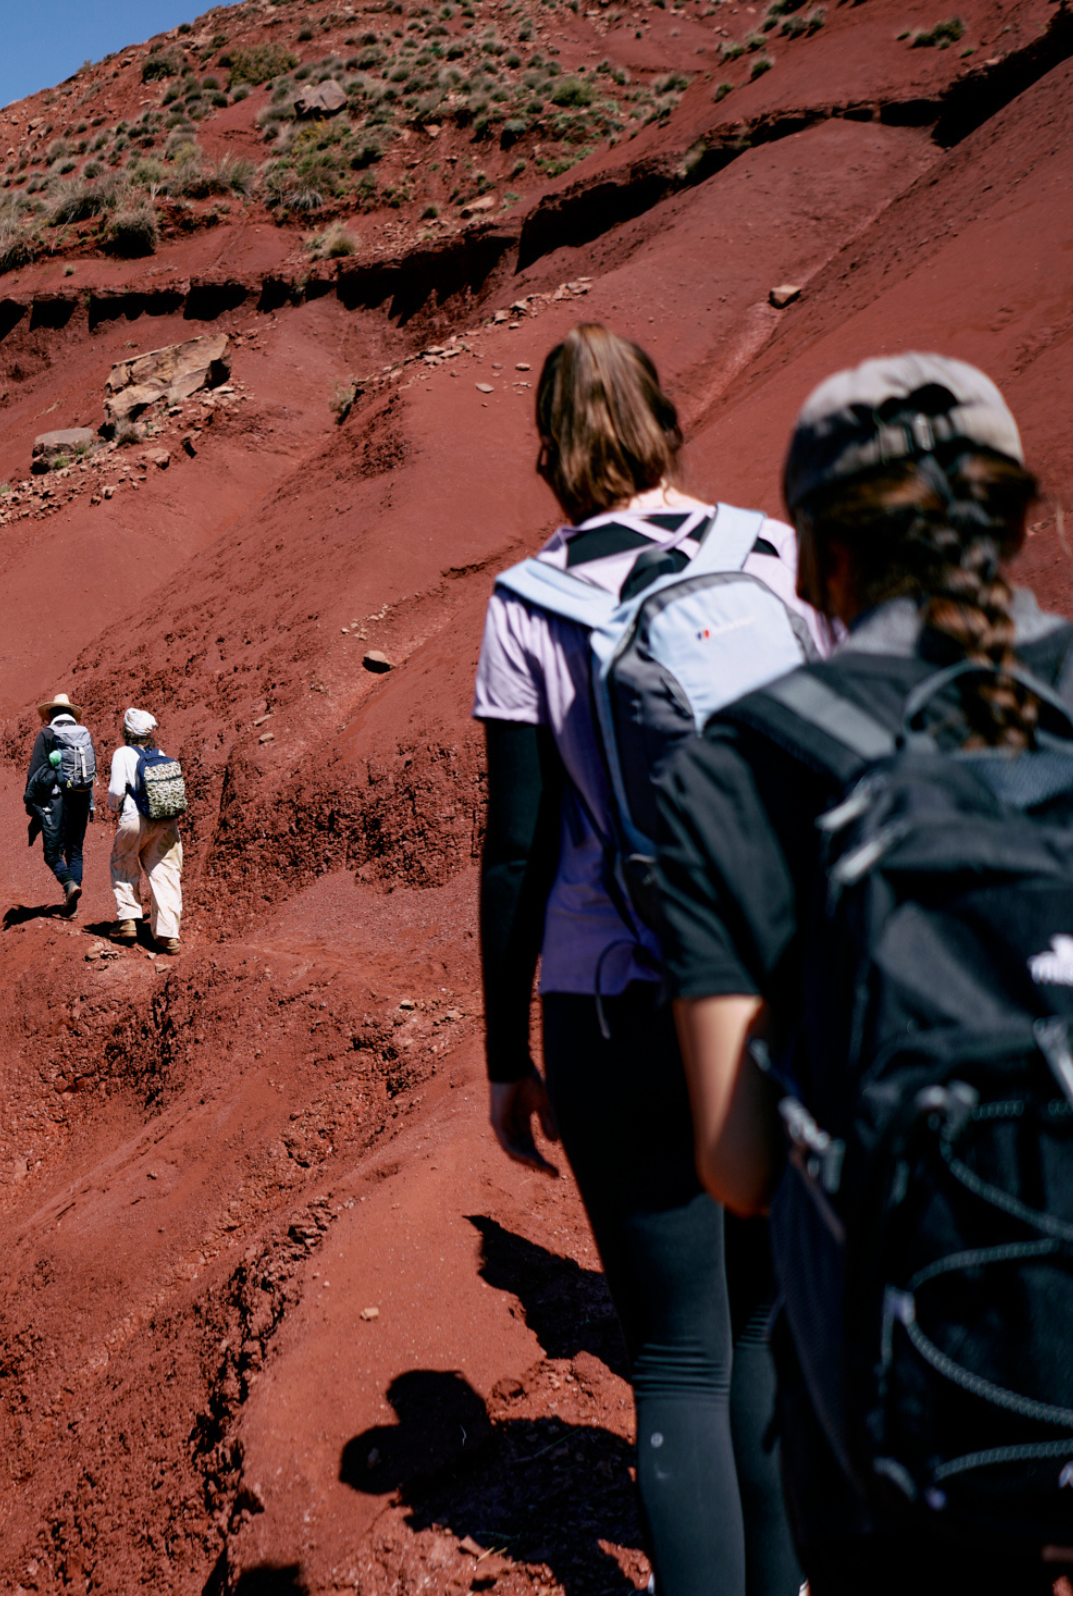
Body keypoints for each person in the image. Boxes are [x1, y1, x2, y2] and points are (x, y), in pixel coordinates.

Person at [657, 354, 1073, 1592]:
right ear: (1010, 519)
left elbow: (735, 1165)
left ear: (820, 553)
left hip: (916, 1413)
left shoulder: (742, 766)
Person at [473, 324, 829, 1593]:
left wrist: (508, 1056)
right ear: (665, 417)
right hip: (782, 986)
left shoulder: (525, 604)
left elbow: (515, 851)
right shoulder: (777, 554)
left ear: (550, 448)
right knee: (768, 1323)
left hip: (615, 1001)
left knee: (678, 1353)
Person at [108, 706, 183, 954]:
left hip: (134, 817)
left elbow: (117, 791)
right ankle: (167, 935)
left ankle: (128, 919)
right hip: (165, 821)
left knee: (123, 861)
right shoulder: (159, 753)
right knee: (166, 873)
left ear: (127, 732)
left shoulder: (122, 754)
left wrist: (113, 807)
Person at [24, 692, 95, 916]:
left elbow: (35, 771)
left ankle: (69, 885)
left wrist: (30, 802)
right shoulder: (84, 734)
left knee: (52, 853)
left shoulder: (47, 734)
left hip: (55, 800)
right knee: (75, 850)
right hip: (82, 795)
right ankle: (72, 903)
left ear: (52, 714)